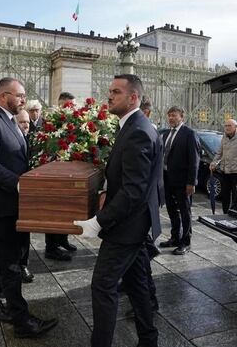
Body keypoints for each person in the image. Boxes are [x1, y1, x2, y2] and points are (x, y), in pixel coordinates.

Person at [74, 74, 162, 347]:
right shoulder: (134, 125)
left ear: (133, 97)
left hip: (127, 227)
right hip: (134, 224)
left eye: (116, 92)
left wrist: (99, 221)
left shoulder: (137, 130)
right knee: (136, 285)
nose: (109, 96)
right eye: (109, 91)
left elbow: (134, 190)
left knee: (103, 286)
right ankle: (149, 339)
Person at [0, 77, 57, 338]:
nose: (23, 99)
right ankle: (21, 321)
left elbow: (14, 158)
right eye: (19, 95)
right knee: (10, 262)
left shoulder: (10, 122)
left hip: (11, 202)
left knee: (4, 253)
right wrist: (18, 183)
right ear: (2, 97)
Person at [160, 106, 200, 255]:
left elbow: (194, 160)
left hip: (183, 182)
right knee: (171, 210)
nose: (171, 118)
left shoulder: (189, 134)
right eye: (169, 115)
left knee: (185, 212)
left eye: (174, 115)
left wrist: (192, 182)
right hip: (167, 180)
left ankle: (186, 242)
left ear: (182, 117)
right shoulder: (165, 134)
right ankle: (175, 238)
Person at [44, 92, 78, 261]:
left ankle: (63, 240)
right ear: (60, 105)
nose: (72, 108)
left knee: (66, 210)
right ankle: (51, 247)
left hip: (70, 172)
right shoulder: (51, 122)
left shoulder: (75, 121)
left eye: (73, 105)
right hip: (53, 173)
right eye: (68, 105)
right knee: (53, 210)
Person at [209, 119, 237, 213]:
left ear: (235, 127)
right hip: (225, 171)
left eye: (229, 126)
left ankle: (235, 214)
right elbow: (220, 152)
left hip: (236, 173)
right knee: (225, 195)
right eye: (226, 126)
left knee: (236, 196)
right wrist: (214, 162)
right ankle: (225, 213)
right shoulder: (224, 136)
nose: (227, 128)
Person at [15, 109, 34, 283]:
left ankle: (23, 263)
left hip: (27, 192)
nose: (26, 125)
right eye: (22, 122)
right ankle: (17, 266)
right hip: (12, 190)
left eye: (27, 122)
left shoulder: (31, 138)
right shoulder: (12, 138)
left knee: (24, 232)